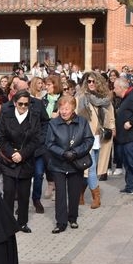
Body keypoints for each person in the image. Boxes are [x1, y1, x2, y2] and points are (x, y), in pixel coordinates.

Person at [0, 90, 45, 232]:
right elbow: (1, 138)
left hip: (26, 160)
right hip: (8, 160)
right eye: (20, 104)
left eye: (26, 104)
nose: (23, 107)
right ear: (14, 103)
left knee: (24, 194)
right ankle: (7, 223)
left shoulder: (34, 117)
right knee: (9, 192)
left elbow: (36, 139)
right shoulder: (6, 115)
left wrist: (22, 154)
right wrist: (12, 154)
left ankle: (22, 223)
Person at [46, 95, 94, 233]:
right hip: (58, 163)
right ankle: (60, 222)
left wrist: (76, 152)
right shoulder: (53, 124)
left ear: (73, 108)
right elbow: (49, 143)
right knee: (60, 193)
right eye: (61, 108)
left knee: (74, 192)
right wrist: (62, 153)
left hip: (76, 162)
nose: (64, 111)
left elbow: (88, 140)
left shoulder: (82, 122)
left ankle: (73, 218)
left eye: (67, 108)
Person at [76, 72, 115, 206]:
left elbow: (111, 116)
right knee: (91, 167)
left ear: (98, 82)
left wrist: (113, 127)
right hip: (87, 137)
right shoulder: (82, 98)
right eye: (88, 82)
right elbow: (77, 117)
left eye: (93, 81)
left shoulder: (106, 99)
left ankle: (80, 194)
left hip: (101, 137)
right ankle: (96, 198)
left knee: (92, 167)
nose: (90, 84)